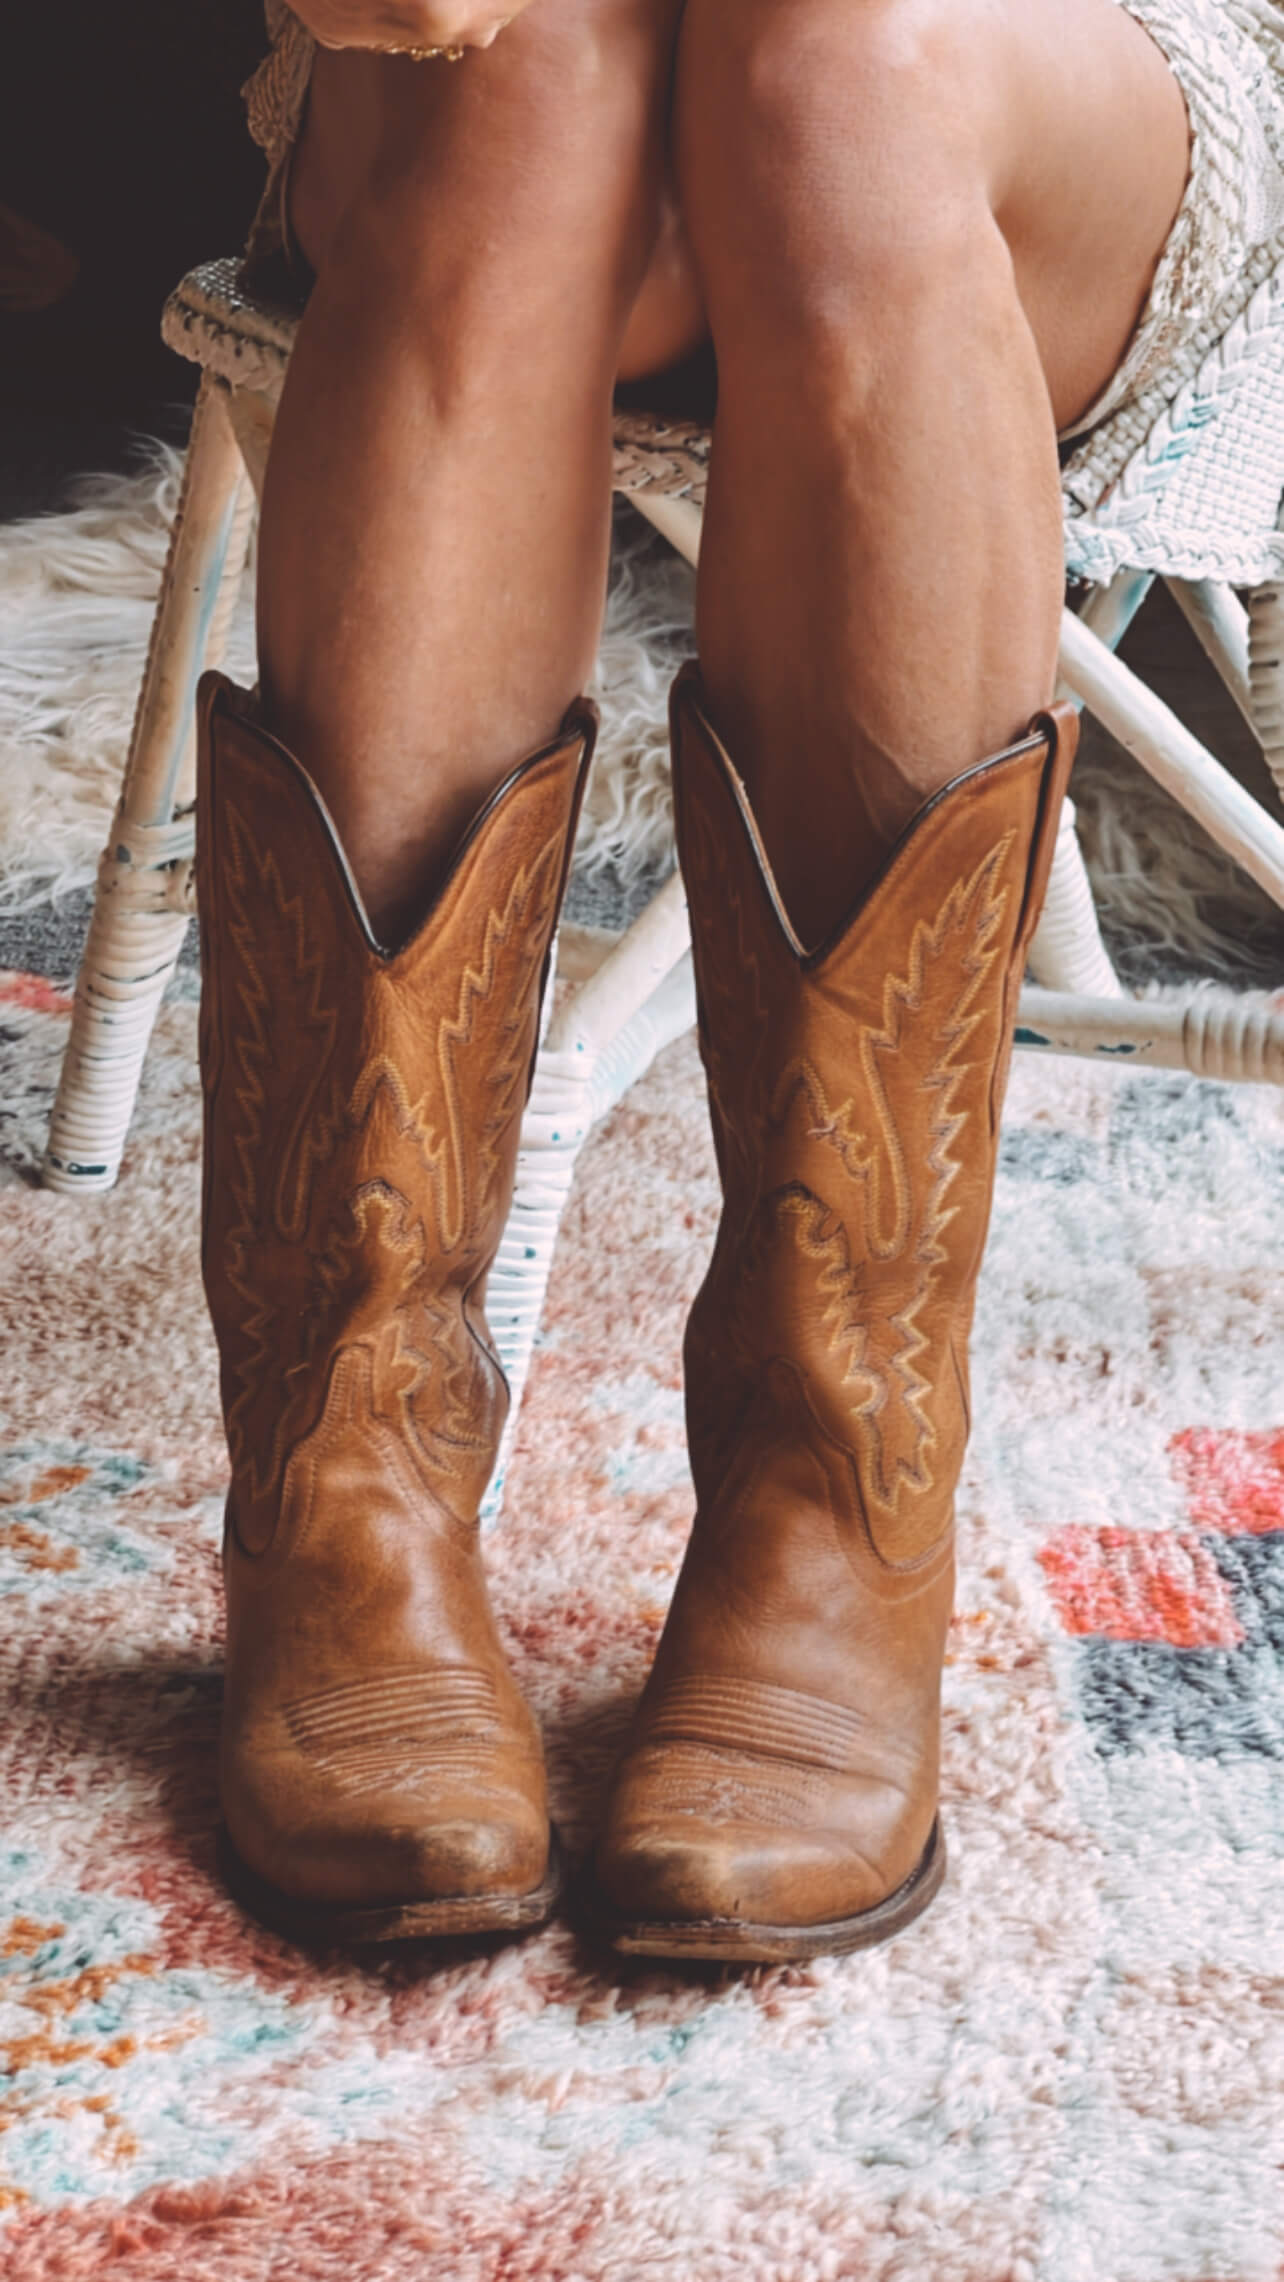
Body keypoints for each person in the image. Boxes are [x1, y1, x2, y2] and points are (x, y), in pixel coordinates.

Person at [198, 0, 1283, 1961]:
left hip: (1040, 83)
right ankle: (347, 1455)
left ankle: (832, 1479)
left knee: (838, 64)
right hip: (509, 78)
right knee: (525, 77)